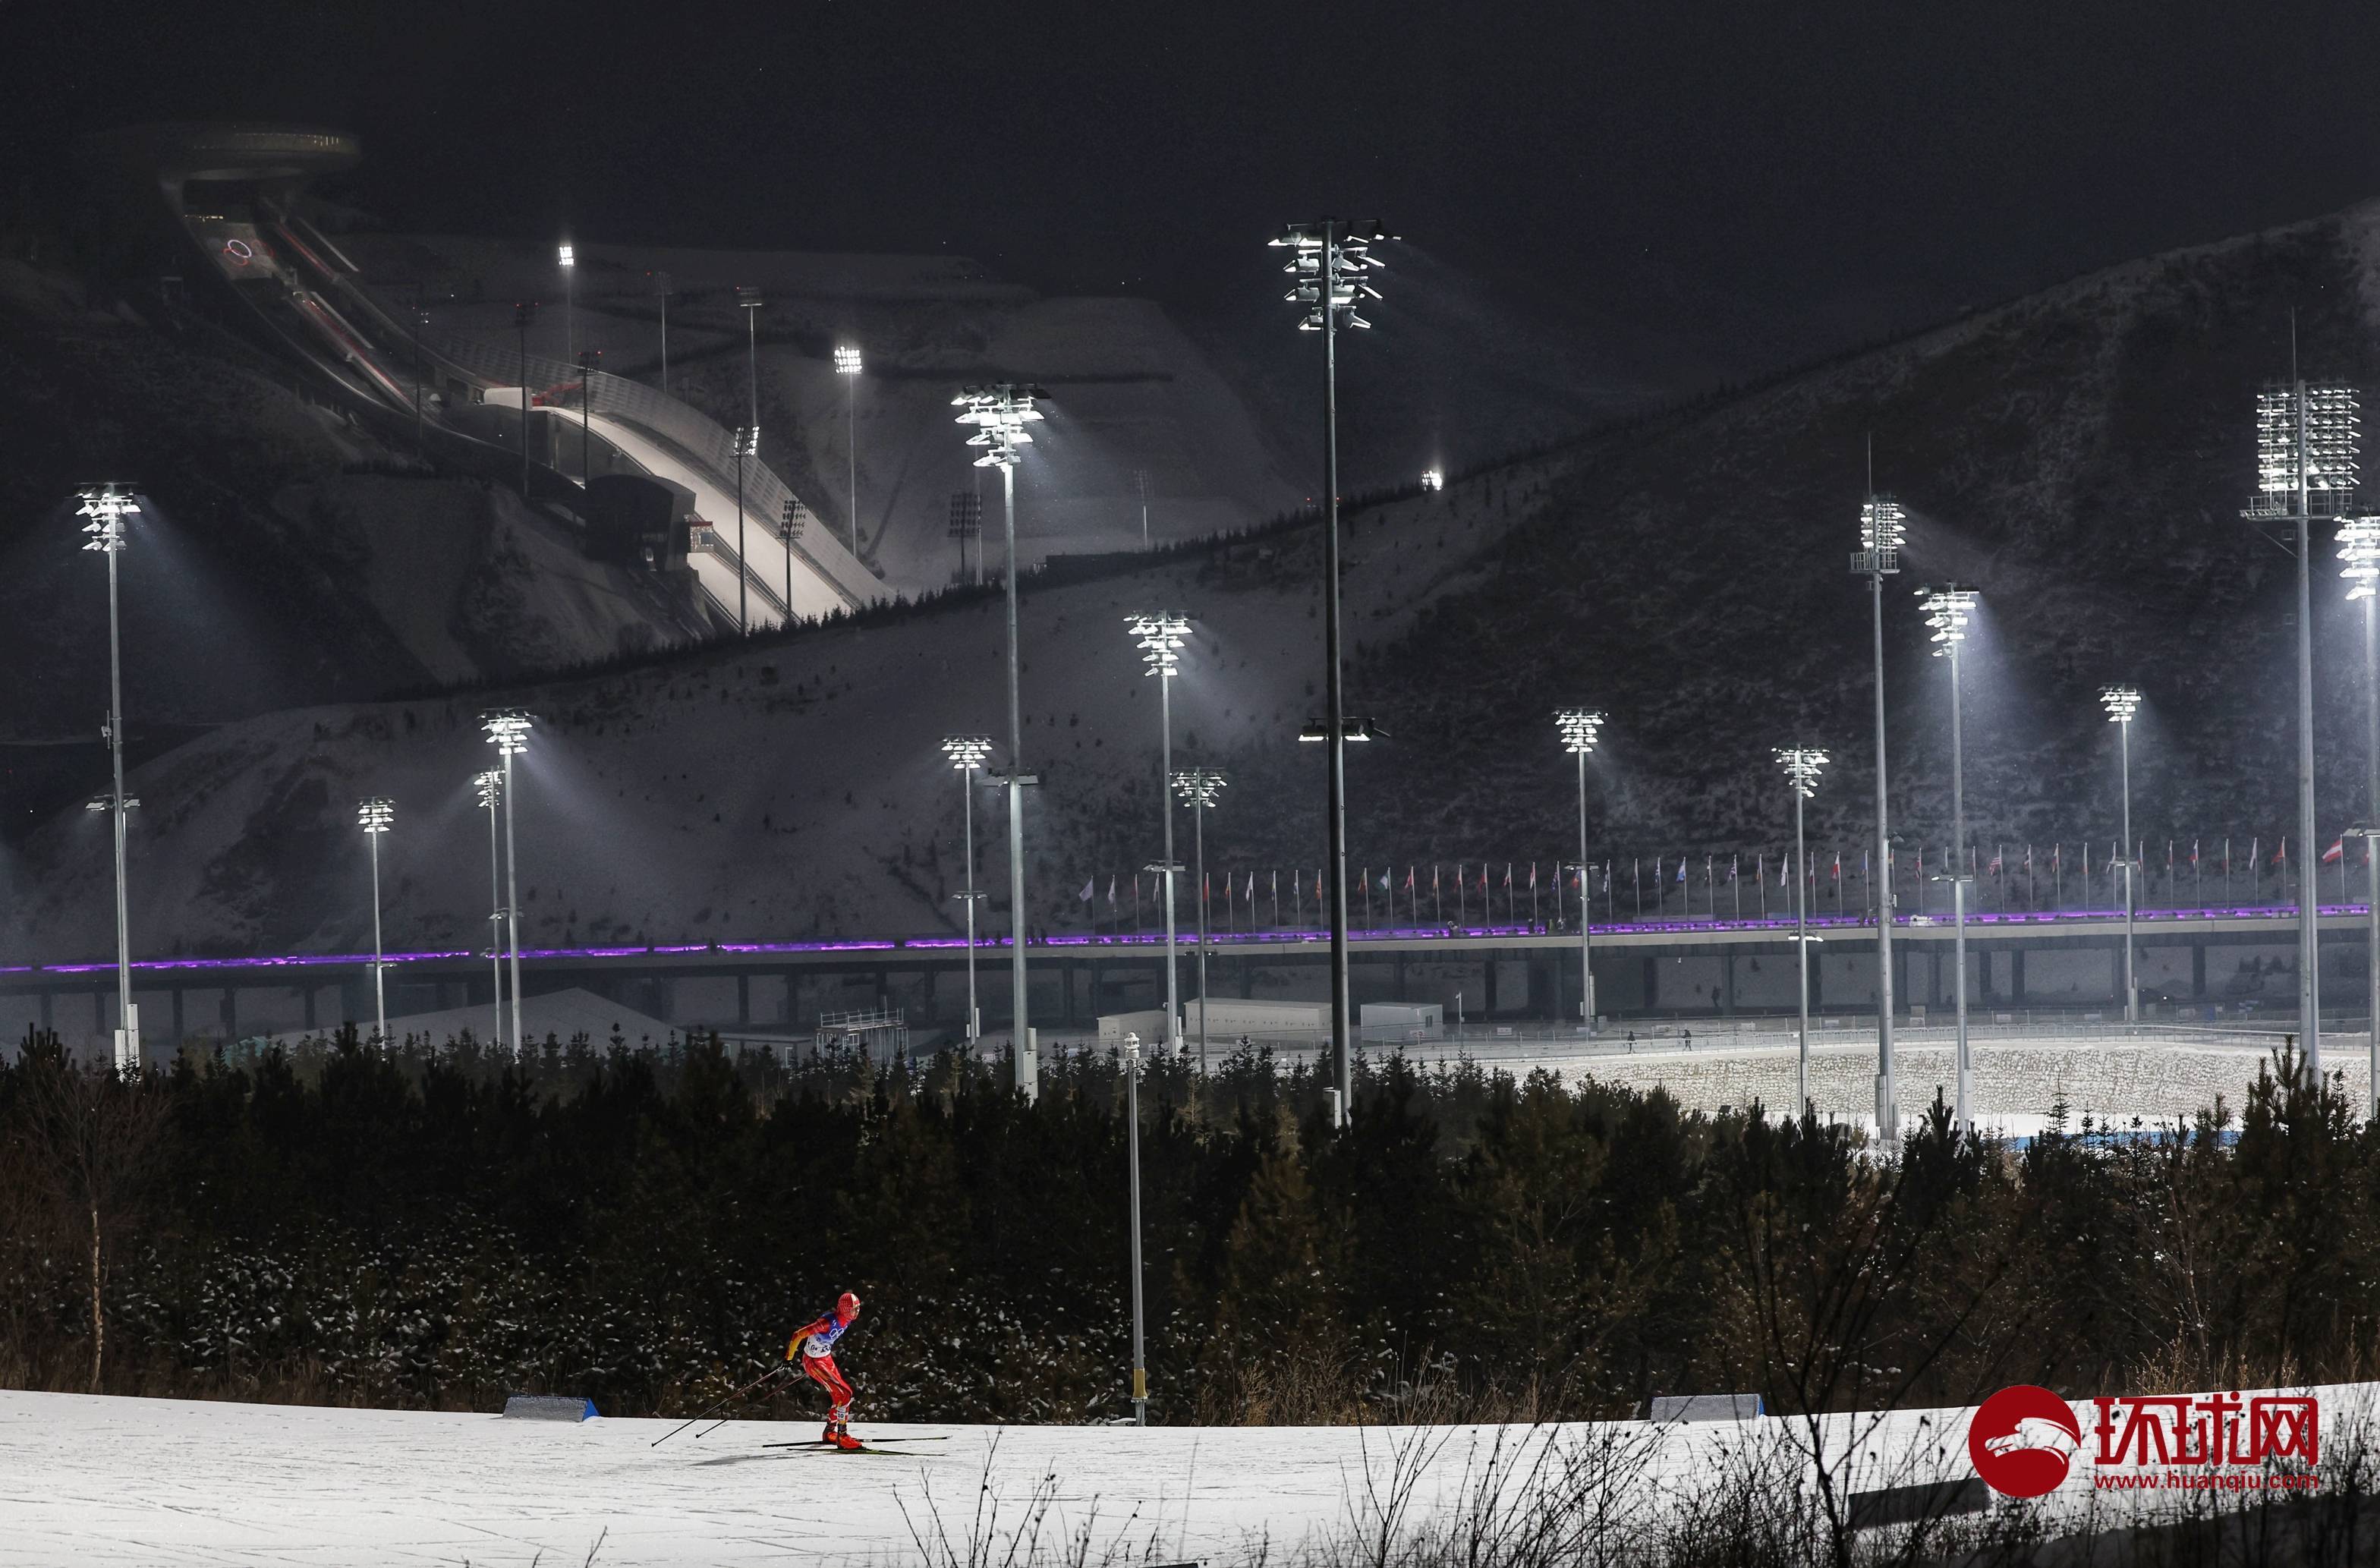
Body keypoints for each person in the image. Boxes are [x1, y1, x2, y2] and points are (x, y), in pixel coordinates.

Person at [786, 1291, 864, 1449]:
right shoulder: (828, 1322)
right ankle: (842, 1436)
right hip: (814, 1361)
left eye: (858, 1308)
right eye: (853, 1309)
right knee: (845, 1393)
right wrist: (788, 1359)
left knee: (841, 1395)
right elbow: (798, 1335)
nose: (857, 1312)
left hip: (825, 1358)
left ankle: (830, 1432)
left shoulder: (847, 1319)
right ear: (844, 1309)